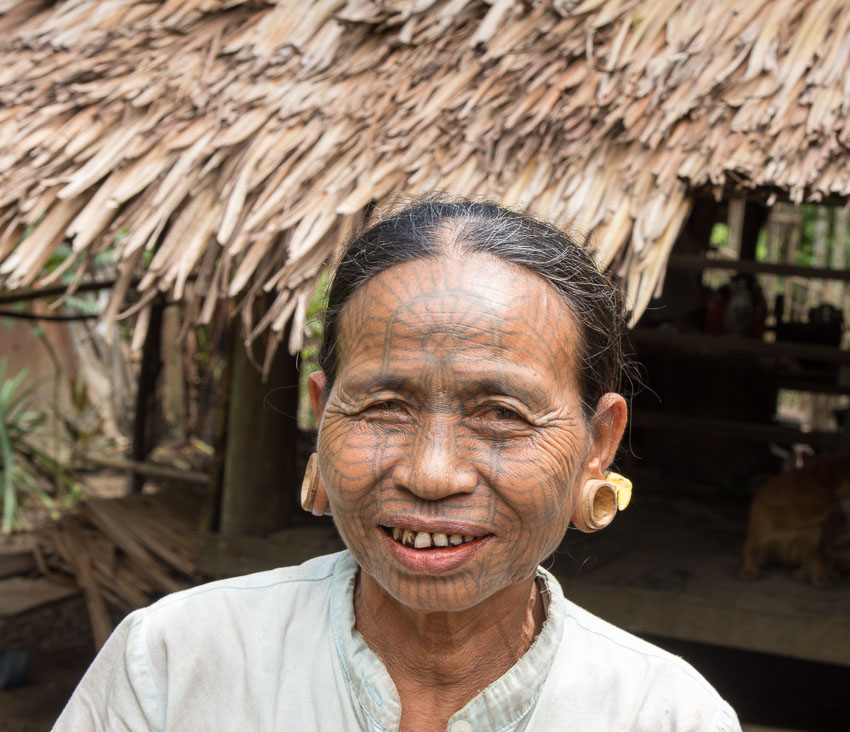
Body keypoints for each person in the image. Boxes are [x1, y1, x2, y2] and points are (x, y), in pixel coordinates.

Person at [54, 199, 740, 731]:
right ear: (322, 416)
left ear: (598, 442)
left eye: (501, 413)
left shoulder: (668, 715)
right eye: (385, 405)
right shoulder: (172, 666)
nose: (432, 474)